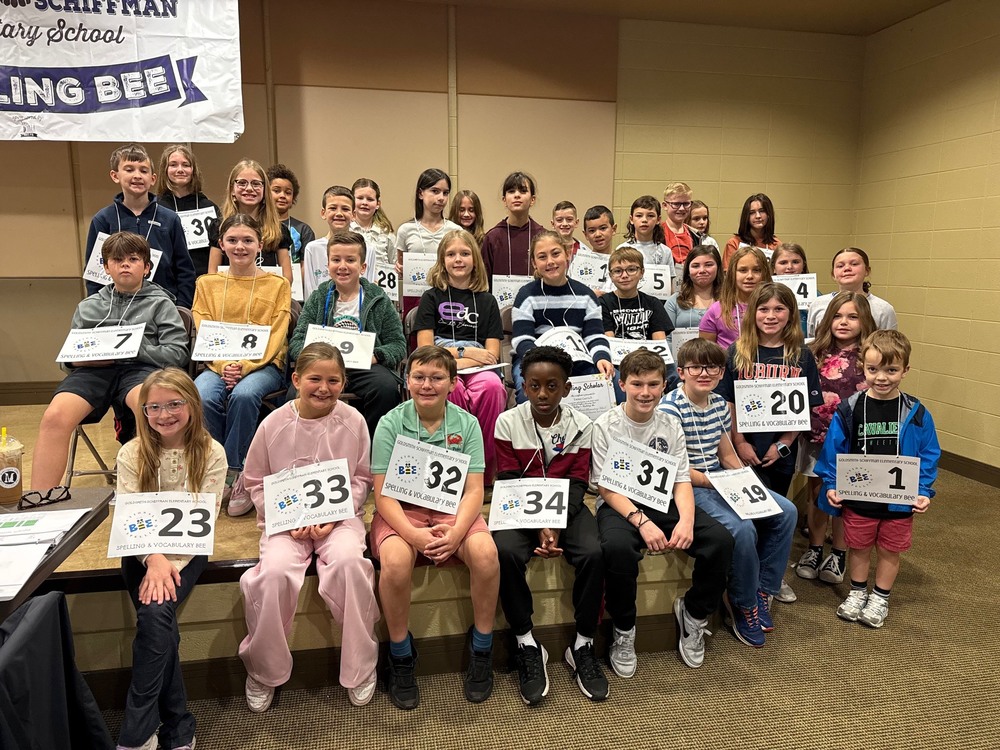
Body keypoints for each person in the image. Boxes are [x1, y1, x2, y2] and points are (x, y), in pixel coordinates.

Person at [238, 343, 379, 712]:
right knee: (273, 573)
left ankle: (361, 664)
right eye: (315, 379)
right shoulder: (272, 424)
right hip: (286, 523)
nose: (324, 388)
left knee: (351, 564)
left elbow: (361, 478)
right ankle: (264, 669)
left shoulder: (354, 421)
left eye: (333, 380)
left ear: (344, 382)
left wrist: (335, 514)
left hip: (339, 519)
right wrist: (287, 518)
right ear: (297, 380)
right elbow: (255, 481)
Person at [371, 346, 500, 710]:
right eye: (419, 377)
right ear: (407, 381)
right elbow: (382, 496)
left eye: (437, 378)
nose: (427, 385)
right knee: (396, 562)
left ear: (453, 383)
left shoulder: (467, 424)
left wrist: (457, 533)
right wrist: (412, 535)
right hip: (403, 511)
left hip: (452, 510)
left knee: (486, 555)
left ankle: (482, 648)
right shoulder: (390, 423)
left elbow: (474, 490)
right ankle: (400, 654)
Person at [594, 349, 733, 671]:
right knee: (617, 549)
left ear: (664, 385)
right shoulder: (606, 425)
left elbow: (681, 478)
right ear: (622, 384)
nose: (645, 392)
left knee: (721, 540)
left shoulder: (670, 424)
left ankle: (694, 613)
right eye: (637, 384)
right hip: (619, 503)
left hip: (662, 499)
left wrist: (686, 520)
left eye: (653, 384)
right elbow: (606, 488)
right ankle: (624, 629)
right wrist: (642, 522)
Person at [113, 368, 226, 750]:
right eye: (154, 407)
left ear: (192, 404)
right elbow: (129, 518)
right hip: (139, 553)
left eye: (174, 404)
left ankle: (139, 729)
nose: (164, 415)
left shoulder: (212, 452)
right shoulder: (131, 453)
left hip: (188, 552)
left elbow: (202, 522)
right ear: (143, 412)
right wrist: (153, 559)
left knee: (154, 612)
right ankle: (177, 723)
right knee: (160, 620)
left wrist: (167, 564)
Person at [27, 232, 188, 496]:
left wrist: (134, 347)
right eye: (117, 259)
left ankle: (152, 493)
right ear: (105, 267)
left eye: (133, 259)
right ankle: (41, 499)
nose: (125, 264)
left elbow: (176, 354)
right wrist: (77, 360)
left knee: (150, 409)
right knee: (55, 416)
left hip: (142, 370)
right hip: (94, 372)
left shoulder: (162, 304)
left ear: (147, 267)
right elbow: (67, 359)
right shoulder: (88, 306)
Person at [662, 339, 797, 648]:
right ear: (681, 372)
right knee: (742, 528)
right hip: (691, 484)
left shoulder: (720, 405)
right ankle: (742, 602)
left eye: (712, 367)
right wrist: (718, 484)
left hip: (719, 478)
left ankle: (762, 589)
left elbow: (726, 454)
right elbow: (675, 469)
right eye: (696, 367)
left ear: (722, 373)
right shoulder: (670, 410)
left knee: (786, 511)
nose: (704, 373)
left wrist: (747, 484)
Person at [493, 346, 608, 705]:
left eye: (552, 386)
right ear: (523, 386)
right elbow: (508, 478)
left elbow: (578, 481)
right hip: (519, 505)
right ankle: (526, 641)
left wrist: (554, 522)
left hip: (566, 506)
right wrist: (539, 523)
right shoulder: (507, 422)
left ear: (567, 388)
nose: (543, 394)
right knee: (505, 551)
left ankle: (583, 643)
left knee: (593, 552)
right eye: (534, 386)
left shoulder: (582, 425)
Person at [816, 330, 940, 628]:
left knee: (889, 549)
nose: (881, 377)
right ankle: (858, 592)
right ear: (863, 367)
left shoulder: (916, 412)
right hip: (860, 496)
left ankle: (880, 597)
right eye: (873, 369)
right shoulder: (850, 408)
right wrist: (832, 484)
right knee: (858, 547)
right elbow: (834, 449)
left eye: (891, 370)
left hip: (899, 500)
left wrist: (923, 490)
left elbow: (928, 453)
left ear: (905, 370)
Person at [192, 214, 291, 516]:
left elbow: (277, 333)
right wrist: (224, 365)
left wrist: (246, 366)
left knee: (245, 395)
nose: (240, 247)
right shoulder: (206, 284)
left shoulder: (277, 284)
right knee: (201, 395)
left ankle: (238, 474)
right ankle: (216, 468)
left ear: (260, 245)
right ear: (221, 244)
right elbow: (203, 327)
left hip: (264, 365)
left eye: (248, 240)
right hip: (218, 364)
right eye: (232, 240)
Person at [290, 230, 405, 444]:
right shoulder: (318, 297)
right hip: (323, 368)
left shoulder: (379, 299)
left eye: (350, 260)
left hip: (365, 369)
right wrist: (314, 357)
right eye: (336, 260)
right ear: (327, 265)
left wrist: (376, 356)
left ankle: (372, 449)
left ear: (363, 267)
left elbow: (398, 344)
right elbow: (297, 342)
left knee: (386, 388)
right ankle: (306, 448)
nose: (342, 266)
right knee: (295, 392)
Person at [796, 292, 876, 584]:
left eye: (852, 317)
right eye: (838, 316)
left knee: (845, 495)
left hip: (854, 440)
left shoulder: (871, 354)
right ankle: (815, 548)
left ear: (864, 320)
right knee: (817, 494)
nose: (844, 322)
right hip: (817, 435)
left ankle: (839, 553)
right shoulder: (813, 351)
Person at [715, 283, 823, 497]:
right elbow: (728, 402)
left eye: (779, 309)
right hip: (743, 448)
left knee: (779, 505)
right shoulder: (737, 352)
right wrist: (739, 441)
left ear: (791, 313)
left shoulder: (801, 355)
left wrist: (784, 443)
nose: (771, 316)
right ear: (752, 313)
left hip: (782, 452)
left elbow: (804, 408)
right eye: (763, 309)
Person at [415, 229, 506, 482]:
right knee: (448, 388)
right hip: (440, 362)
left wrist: (462, 360)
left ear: (475, 259)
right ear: (442, 261)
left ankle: (483, 473)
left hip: (478, 366)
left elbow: (492, 354)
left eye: (465, 253)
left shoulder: (488, 301)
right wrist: (466, 352)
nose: (458, 259)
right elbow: (425, 349)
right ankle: (451, 473)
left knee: (492, 387)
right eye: (451, 254)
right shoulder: (430, 297)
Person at [85, 143, 195, 308]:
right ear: (115, 176)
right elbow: (94, 274)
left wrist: (181, 307)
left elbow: (185, 270)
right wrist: (98, 308)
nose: (137, 176)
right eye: (129, 170)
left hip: (163, 306)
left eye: (144, 171)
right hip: (116, 307)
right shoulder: (103, 219)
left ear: (153, 179)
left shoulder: (170, 219)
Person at [511, 230, 615, 403]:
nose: (550, 261)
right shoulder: (526, 295)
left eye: (555, 254)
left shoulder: (586, 295)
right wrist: (545, 364)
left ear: (567, 254)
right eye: (542, 257)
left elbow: (595, 336)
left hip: (578, 361)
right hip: (534, 361)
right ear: (534, 263)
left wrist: (602, 357)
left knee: (612, 385)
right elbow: (522, 340)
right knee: (527, 394)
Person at [601, 246, 676, 401]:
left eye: (631, 269)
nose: (624, 275)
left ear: (642, 272)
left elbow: (660, 343)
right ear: (610, 275)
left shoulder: (653, 303)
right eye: (618, 271)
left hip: (649, 360)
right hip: (620, 362)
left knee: (671, 371)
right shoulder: (603, 303)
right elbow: (609, 341)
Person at [208, 159, 293, 285]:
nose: (249, 188)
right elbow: (212, 273)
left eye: (256, 184)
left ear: (265, 190)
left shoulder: (278, 229)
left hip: (266, 293)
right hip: (228, 293)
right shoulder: (219, 226)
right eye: (242, 183)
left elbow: (287, 277)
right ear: (232, 189)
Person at [156, 144, 221, 278]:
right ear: (165, 170)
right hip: (167, 281)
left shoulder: (209, 208)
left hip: (202, 278)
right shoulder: (155, 208)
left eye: (185, 165)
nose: (180, 170)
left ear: (193, 170)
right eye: (173, 165)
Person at [807, 247, 898, 336]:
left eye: (854, 264)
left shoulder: (884, 309)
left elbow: (889, 344)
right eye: (840, 266)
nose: (847, 268)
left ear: (867, 271)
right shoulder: (817, 304)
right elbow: (812, 340)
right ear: (833, 274)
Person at [699, 246, 771, 350]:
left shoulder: (775, 309)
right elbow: (705, 353)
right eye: (743, 270)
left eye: (756, 270)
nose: (750, 276)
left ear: (765, 273)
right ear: (733, 274)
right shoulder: (717, 310)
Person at [481, 171, 545, 281]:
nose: (517, 195)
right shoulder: (492, 238)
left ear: (532, 199)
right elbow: (484, 280)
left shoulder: (543, 236)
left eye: (523, 191)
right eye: (511, 191)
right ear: (504, 200)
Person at [395, 167, 462, 270]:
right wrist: (399, 269)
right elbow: (401, 267)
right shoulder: (405, 230)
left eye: (445, 193)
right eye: (435, 191)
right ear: (420, 193)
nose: (441, 198)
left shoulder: (455, 230)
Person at [302, 186, 356, 299]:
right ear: (323, 213)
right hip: (321, 308)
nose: (339, 213)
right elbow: (309, 291)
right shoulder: (312, 249)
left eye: (345, 209)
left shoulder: (366, 249)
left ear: (354, 215)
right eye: (333, 208)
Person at [616, 195, 676, 284]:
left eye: (650, 216)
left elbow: (669, 284)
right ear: (631, 219)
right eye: (639, 215)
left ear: (658, 220)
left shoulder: (665, 252)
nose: (644, 220)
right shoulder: (621, 250)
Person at [267, 163, 316, 263]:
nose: (282, 196)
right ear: (266, 193)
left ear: (294, 197)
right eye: (276, 191)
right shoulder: (257, 226)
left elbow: (306, 265)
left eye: (288, 192)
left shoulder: (304, 230)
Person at [665, 245, 723, 329]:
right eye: (695, 266)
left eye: (708, 265)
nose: (702, 270)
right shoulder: (674, 302)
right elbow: (666, 336)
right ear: (688, 271)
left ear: (718, 268)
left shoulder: (730, 301)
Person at [723, 193, 781, 269]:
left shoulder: (777, 245)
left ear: (768, 215)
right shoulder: (734, 243)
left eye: (762, 211)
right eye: (752, 213)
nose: (758, 216)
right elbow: (728, 273)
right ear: (746, 217)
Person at [352, 177, 396, 271]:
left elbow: (395, 265)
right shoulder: (345, 230)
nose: (365, 203)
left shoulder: (387, 233)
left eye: (370, 199)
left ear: (377, 204)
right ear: (352, 201)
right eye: (360, 198)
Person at [769, 242, 813, 334]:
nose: (790, 267)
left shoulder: (815, 295)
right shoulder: (764, 294)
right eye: (783, 263)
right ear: (774, 267)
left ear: (803, 265)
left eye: (795, 262)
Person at [660, 182, 699, 269]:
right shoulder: (656, 233)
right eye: (676, 204)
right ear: (665, 206)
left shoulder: (696, 235)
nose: (681, 208)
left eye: (686, 204)